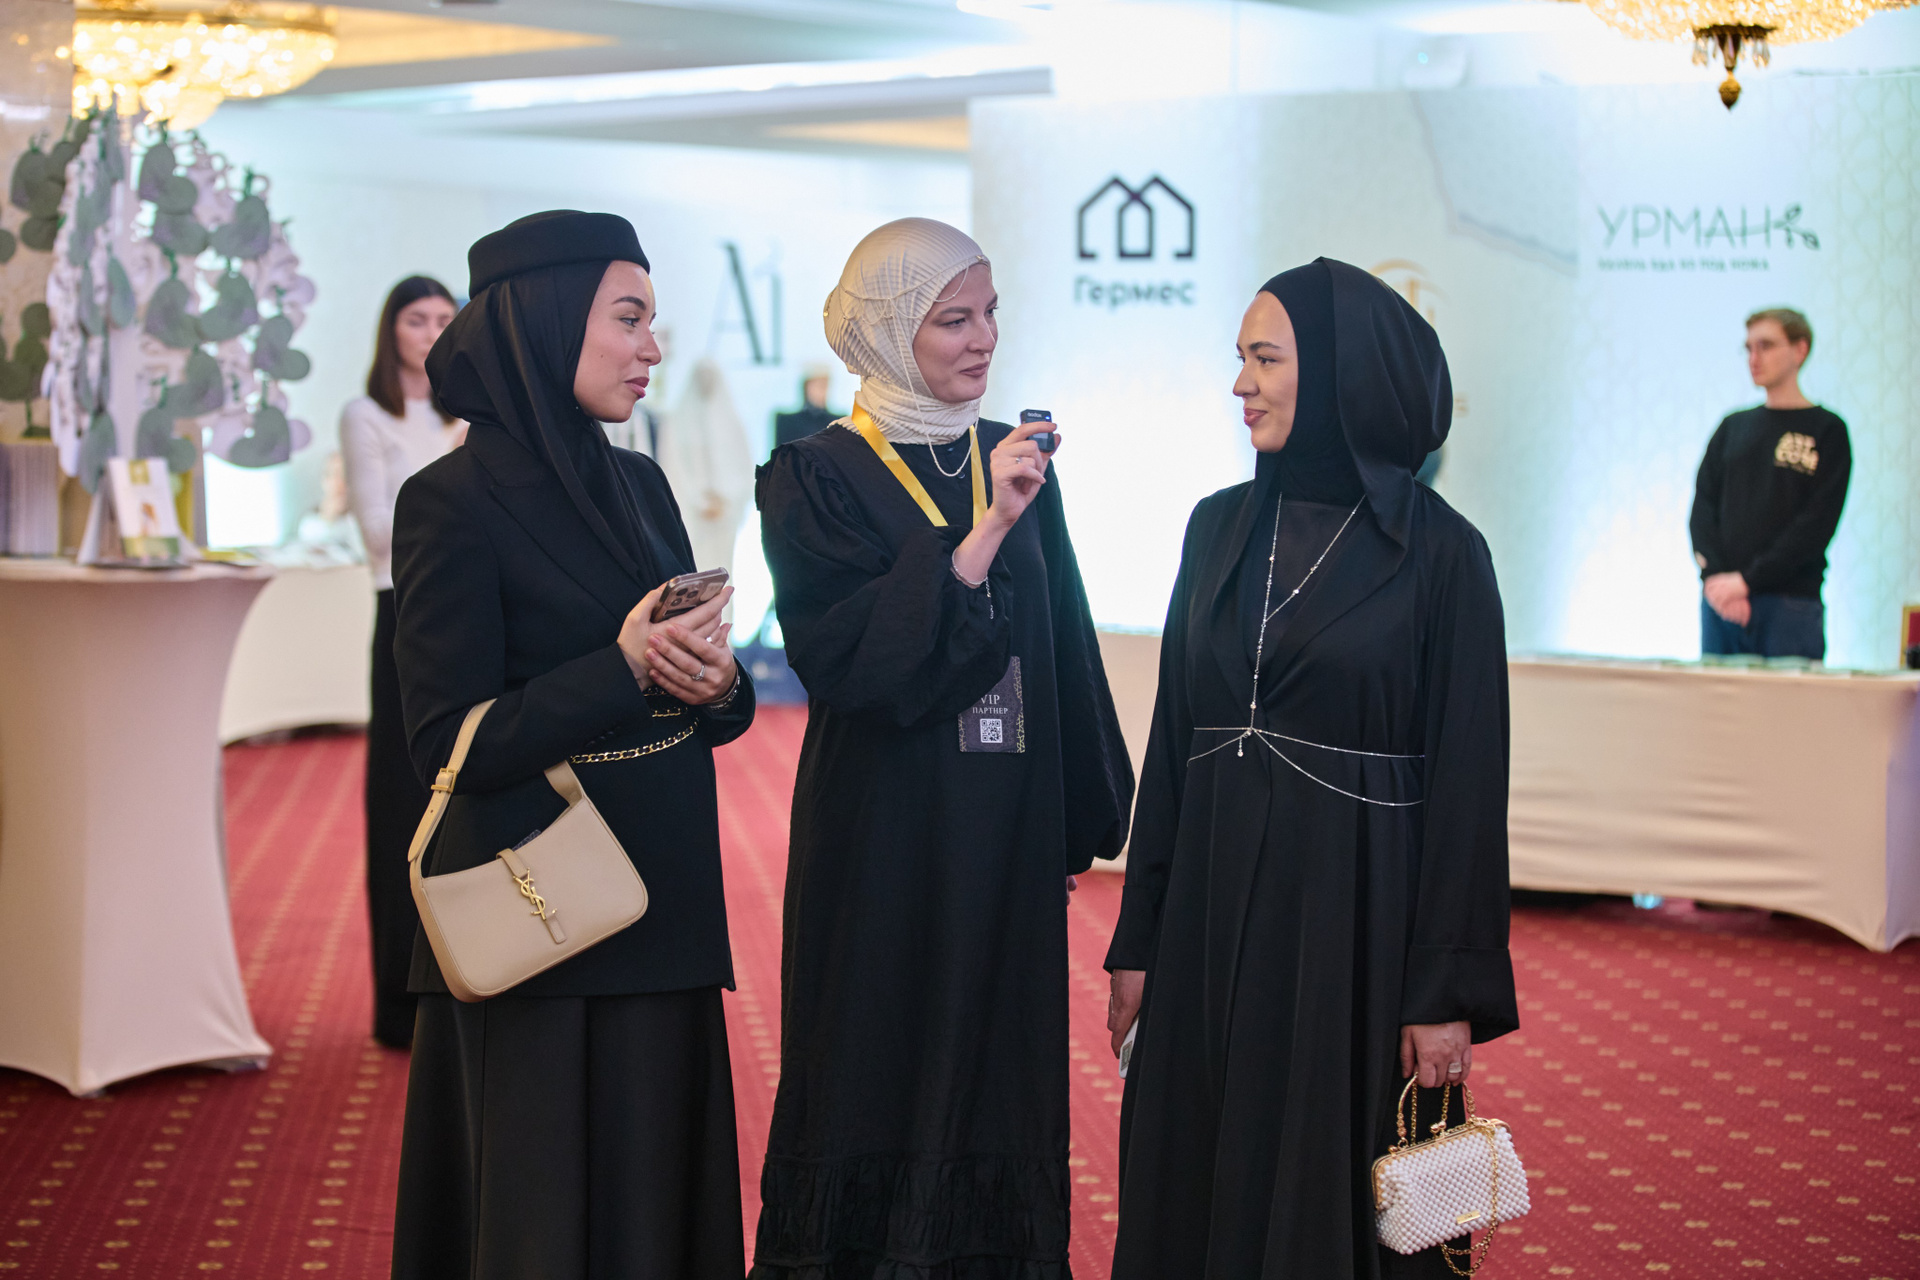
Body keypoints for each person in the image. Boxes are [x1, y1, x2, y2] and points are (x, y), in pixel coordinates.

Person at [1103, 259, 1518, 1279]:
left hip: (1354, 926)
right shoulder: (1215, 526)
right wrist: (1139, 937)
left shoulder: (1442, 553)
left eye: (1265, 359)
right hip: (1207, 920)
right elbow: (1174, 744)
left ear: (1339, 373)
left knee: (1327, 1185)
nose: (1240, 383)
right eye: (1241, 358)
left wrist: (1445, 990)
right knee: (1197, 1164)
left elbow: (1469, 791)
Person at [752, 217, 1134, 1279]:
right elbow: (852, 666)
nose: (984, 339)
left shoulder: (1012, 451)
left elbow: (1060, 638)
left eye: (991, 313)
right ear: (887, 331)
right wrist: (985, 531)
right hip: (883, 828)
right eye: (953, 319)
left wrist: (1074, 818)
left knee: (996, 1065)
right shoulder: (814, 475)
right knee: (876, 1050)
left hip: (1002, 827)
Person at [387, 210, 755, 1280]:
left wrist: (720, 685)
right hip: (540, 914)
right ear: (546, 323)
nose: (653, 348)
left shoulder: (639, 484)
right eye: (628, 319)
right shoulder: (449, 501)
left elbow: (702, 697)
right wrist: (622, 667)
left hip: (665, 899)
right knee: (540, 1222)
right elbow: (448, 745)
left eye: (653, 322)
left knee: (658, 1209)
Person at [338, 274, 463, 1050]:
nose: (432, 332)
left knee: (460, 802)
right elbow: (380, 534)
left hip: (464, 610)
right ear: (392, 331)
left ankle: (464, 984)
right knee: (399, 803)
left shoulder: (466, 415)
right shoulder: (367, 413)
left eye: (446, 319)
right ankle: (399, 1004)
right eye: (418, 319)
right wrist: (453, 473)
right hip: (401, 610)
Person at [1689, 307, 1851, 662]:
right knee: (1713, 700)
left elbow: (1815, 526)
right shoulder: (1732, 427)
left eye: (1766, 345)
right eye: (1748, 348)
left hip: (1790, 606)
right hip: (1722, 604)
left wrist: (1747, 582)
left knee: (1789, 701)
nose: (1754, 357)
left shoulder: (1827, 430)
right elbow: (1702, 510)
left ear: (1800, 350)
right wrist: (1718, 581)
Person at [658, 354, 754, 578]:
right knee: (694, 566)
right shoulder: (677, 421)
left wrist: (725, 499)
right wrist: (699, 500)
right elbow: (672, 467)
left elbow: (743, 467)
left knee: (722, 568)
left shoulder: (732, 421)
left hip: (724, 513)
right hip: (692, 513)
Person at [772, 362, 840, 449]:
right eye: (817, 385)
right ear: (806, 387)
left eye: (824, 386)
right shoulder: (788, 422)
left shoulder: (838, 424)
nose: (822, 391)